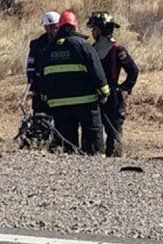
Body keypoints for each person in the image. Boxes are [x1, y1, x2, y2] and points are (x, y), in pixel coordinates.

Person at [39, 11, 109, 155]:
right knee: (92, 135)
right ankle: (96, 163)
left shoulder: (49, 49)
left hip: (59, 104)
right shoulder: (82, 45)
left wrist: (45, 96)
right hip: (85, 101)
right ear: (75, 26)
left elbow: (42, 75)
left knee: (67, 142)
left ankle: (70, 163)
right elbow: (96, 69)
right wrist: (104, 90)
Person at [86, 11, 138, 157]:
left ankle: (114, 161)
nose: (92, 32)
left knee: (114, 133)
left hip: (114, 97)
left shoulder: (117, 49)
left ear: (101, 29)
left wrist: (124, 88)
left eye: (94, 29)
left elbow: (133, 70)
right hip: (95, 96)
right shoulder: (92, 49)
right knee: (94, 133)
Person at [26, 11, 60, 114]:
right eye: (53, 27)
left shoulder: (66, 42)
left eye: (57, 26)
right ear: (46, 28)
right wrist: (34, 87)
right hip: (41, 89)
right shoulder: (37, 45)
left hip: (60, 89)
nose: (55, 30)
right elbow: (30, 68)